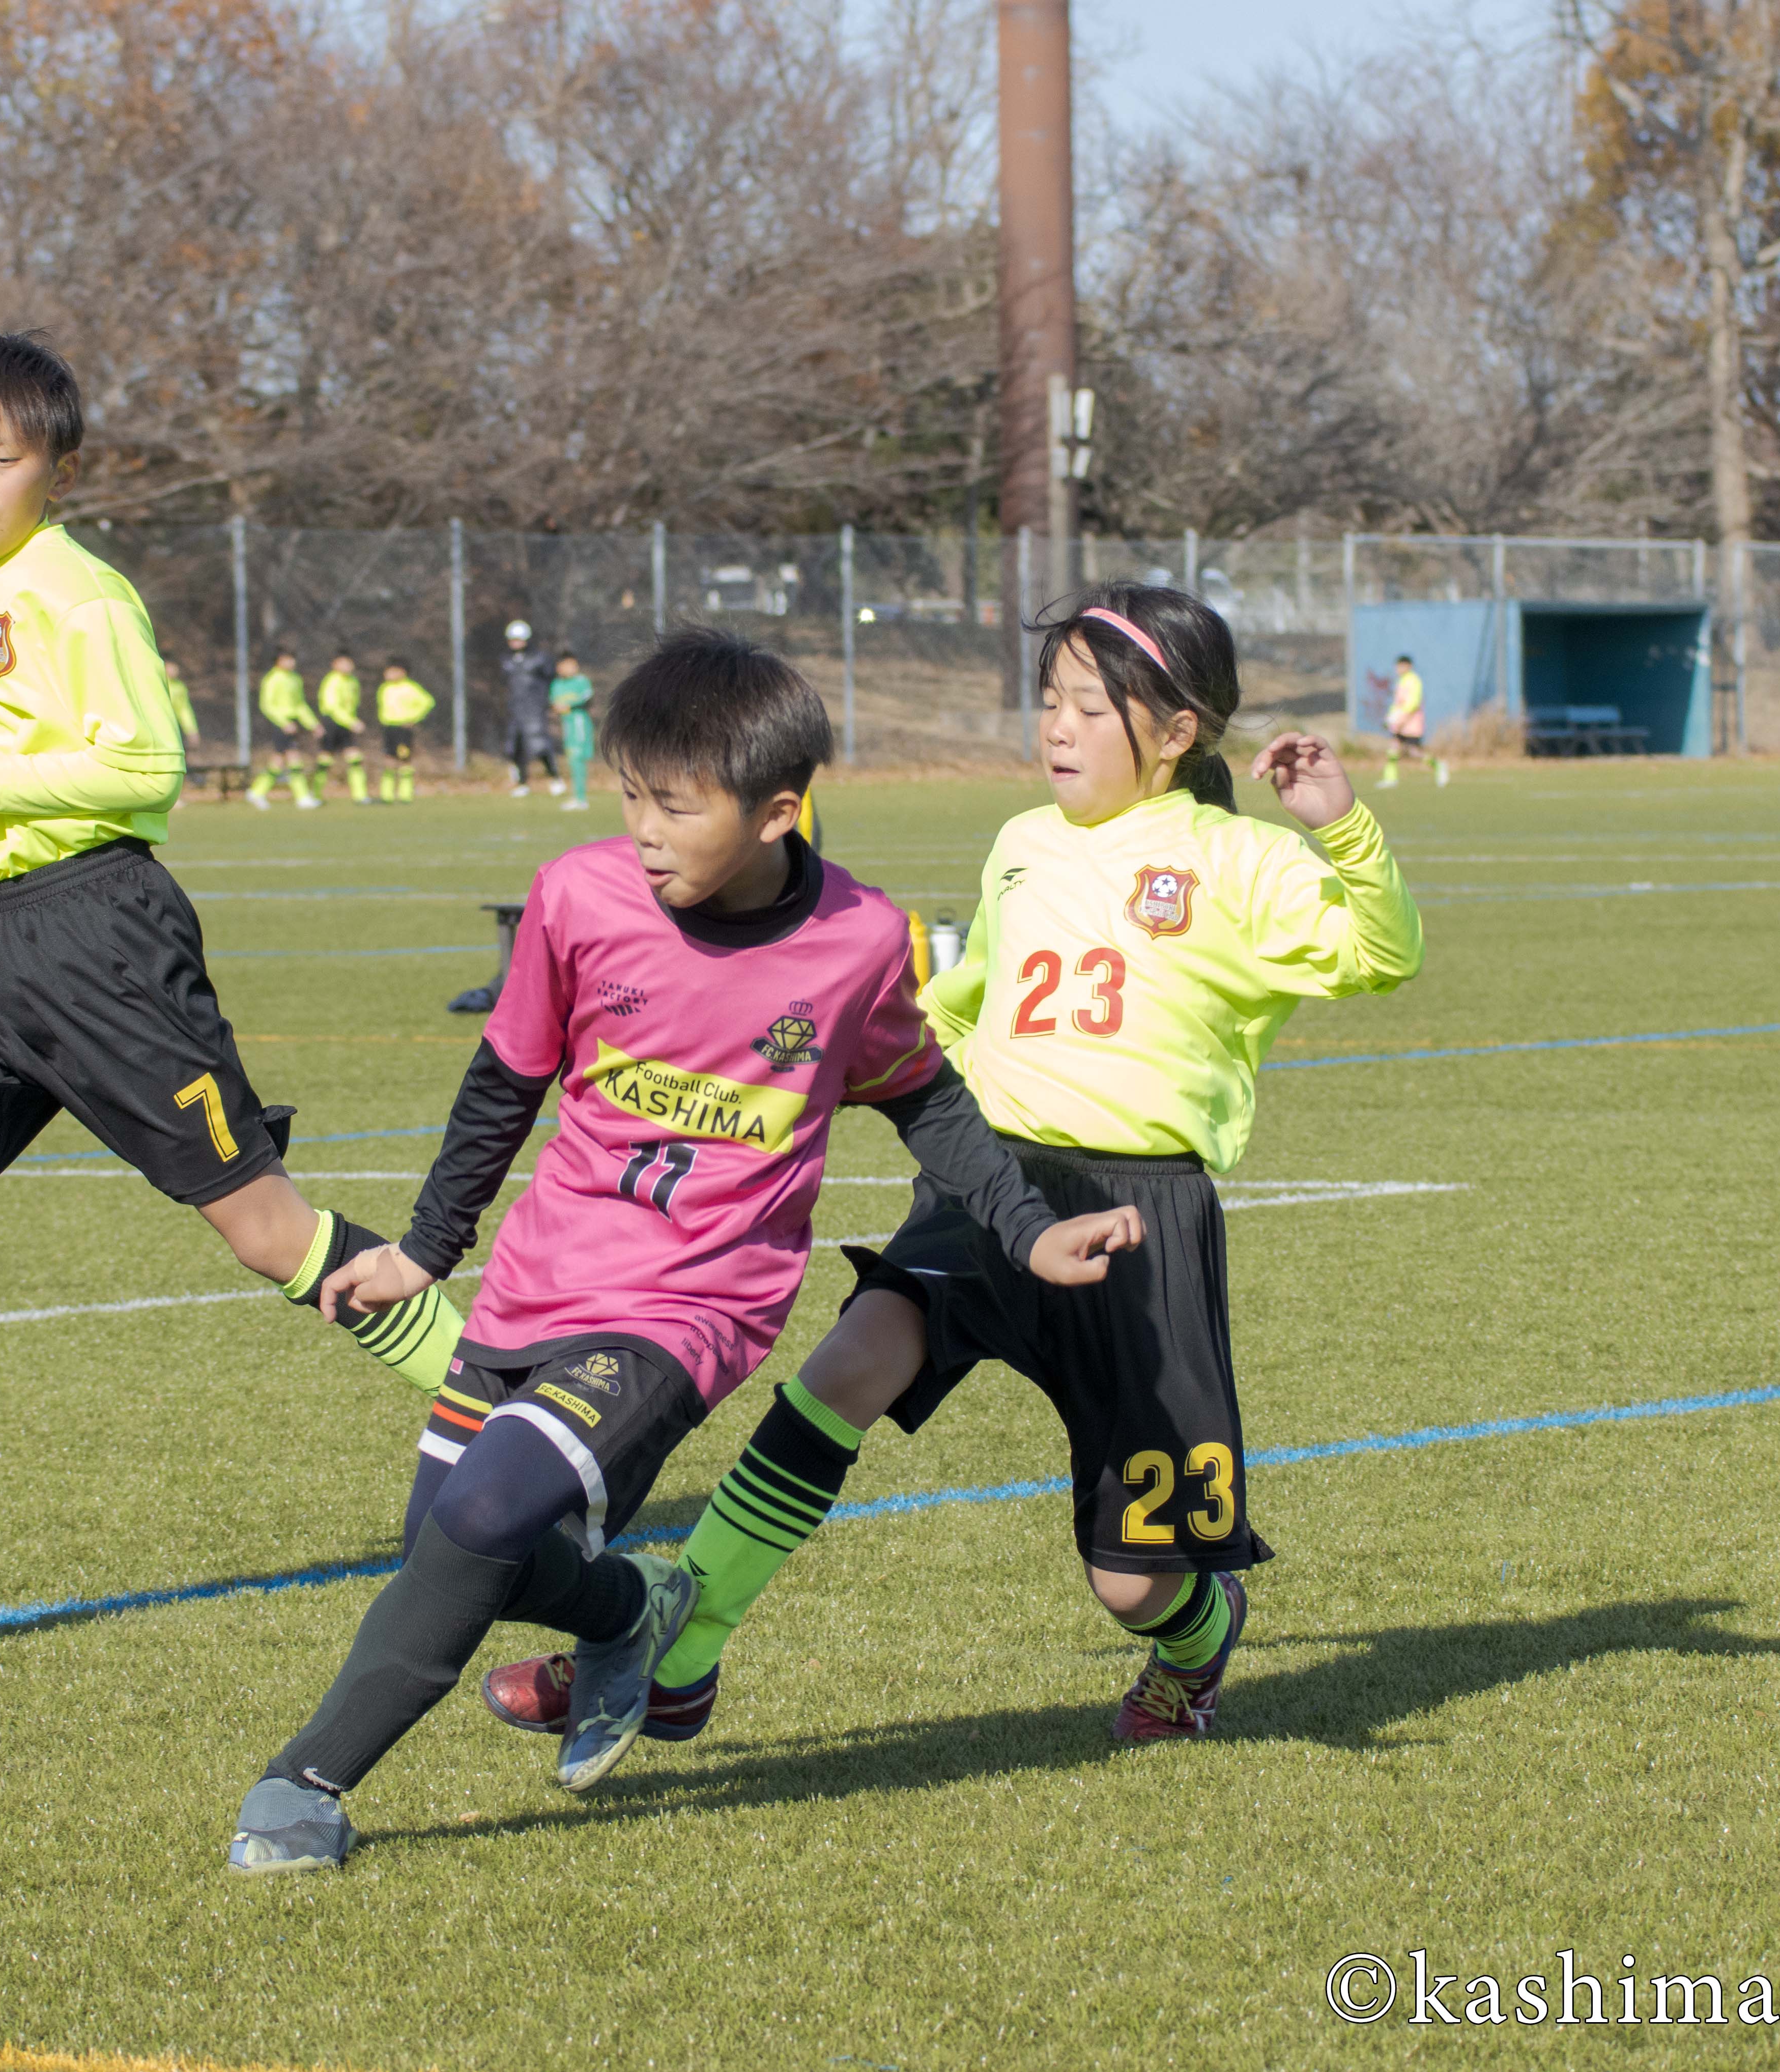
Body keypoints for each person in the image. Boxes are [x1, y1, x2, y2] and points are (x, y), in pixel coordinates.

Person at [226, 627, 1144, 1874]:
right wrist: (427, 1249)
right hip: (538, 1279)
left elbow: (919, 1094)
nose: (643, 828)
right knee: (449, 1545)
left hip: (689, 1307)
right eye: (628, 796)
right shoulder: (575, 897)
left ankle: (303, 1785)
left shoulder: (860, 937)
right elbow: (503, 1081)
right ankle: (632, 1609)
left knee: (485, 1516)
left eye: (675, 804)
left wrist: (1025, 1233)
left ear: (775, 810)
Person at [481, 584, 1422, 1767]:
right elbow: (944, 1014)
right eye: (1046, 700)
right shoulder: (1021, 843)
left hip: (1138, 1224)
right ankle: (679, 1647)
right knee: (843, 1368)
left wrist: (1335, 826)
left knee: (1132, 1579)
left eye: (1089, 704)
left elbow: (1383, 954)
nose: (1057, 726)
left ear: (1175, 730)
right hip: (993, 1193)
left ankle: (1194, 1638)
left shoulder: (1234, 858)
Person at [0, 332, 472, 1628]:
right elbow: (16, 765)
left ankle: (502, 1415)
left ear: (58, 469)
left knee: (265, 1232)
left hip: (99, 944)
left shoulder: (76, 592)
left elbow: (141, 769)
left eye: (5, 458)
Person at [247, 644, 321, 810]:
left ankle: (257, 792)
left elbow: (300, 705)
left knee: (279, 761)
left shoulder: (295, 679)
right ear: (278, 661)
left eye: (292, 659)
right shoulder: (272, 679)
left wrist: (313, 724)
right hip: (282, 724)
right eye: (287, 659)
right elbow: (267, 705)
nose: (291, 662)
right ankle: (302, 797)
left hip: (293, 723)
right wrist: (283, 722)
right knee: (293, 760)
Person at [498, 618, 556, 796]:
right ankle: (522, 783)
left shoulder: (539, 658)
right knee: (515, 748)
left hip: (535, 709)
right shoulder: (507, 661)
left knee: (540, 746)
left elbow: (550, 680)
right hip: (516, 710)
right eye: (513, 639)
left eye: (519, 639)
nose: (516, 642)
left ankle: (554, 778)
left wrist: (548, 701)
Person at [1374, 653, 1444, 788]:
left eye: (1401, 666)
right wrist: (1391, 718)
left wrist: (1403, 719)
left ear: (1408, 666)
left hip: (1411, 724)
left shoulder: (1414, 681)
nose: (1398, 669)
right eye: (1397, 666)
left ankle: (1439, 766)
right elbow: (1397, 704)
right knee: (1393, 749)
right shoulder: (1401, 681)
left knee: (1415, 752)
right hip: (1399, 723)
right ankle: (1391, 779)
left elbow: (1414, 703)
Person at [374, 658, 433, 802]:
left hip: (403, 729)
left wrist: (413, 718)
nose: (388, 674)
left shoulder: (410, 688)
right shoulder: (385, 688)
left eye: (393, 671)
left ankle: (405, 794)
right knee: (389, 760)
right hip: (389, 728)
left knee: (404, 759)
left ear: (402, 672)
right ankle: (386, 795)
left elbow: (428, 702)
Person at [314, 648, 368, 804]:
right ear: (335, 664)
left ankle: (360, 796)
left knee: (355, 758)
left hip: (346, 724)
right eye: (343, 663)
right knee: (325, 760)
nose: (347, 666)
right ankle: (316, 795)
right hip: (332, 723)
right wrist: (352, 722)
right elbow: (333, 708)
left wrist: (351, 721)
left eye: (349, 663)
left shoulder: (353, 681)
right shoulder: (332, 681)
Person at [548, 649, 594, 812]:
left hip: (579, 724)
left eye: (573, 665)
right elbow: (555, 703)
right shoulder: (557, 685)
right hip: (567, 726)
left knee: (578, 759)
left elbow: (587, 697)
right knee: (572, 760)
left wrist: (570, 705)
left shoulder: (581, 681)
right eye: (565, 665)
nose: (570, 668)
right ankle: (578, 797)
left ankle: (581, 799)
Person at [158, 651, 199, 747]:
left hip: (172, 729)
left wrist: (191, 730)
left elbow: (184, 710)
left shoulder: (180, 687)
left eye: (175, 666)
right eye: (171, 666)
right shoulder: (157, 681)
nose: (174, 669)